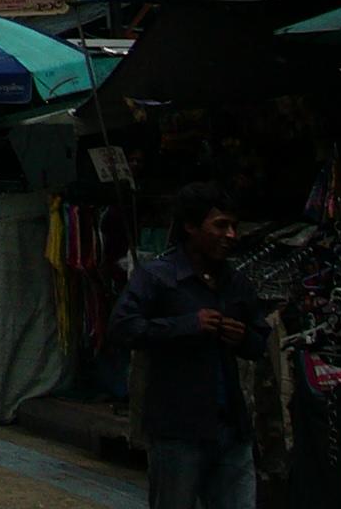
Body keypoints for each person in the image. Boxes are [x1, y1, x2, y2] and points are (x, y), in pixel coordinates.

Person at [111, 182, 270, 509]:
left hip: (231, 429)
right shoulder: (159, 277)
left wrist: (243, 338)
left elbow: (259, 342)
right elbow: (123, 327)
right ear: (191, 227)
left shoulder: (235, 282)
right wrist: (185, 325)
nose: (231, 235)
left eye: (234, 226)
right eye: (220, 225)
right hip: (178, 430)